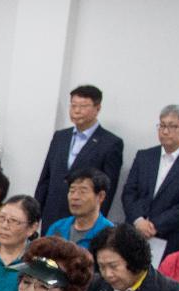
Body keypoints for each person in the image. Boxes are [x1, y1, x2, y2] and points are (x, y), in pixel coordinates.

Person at [120, 104, 179, 255]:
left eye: (172, 126)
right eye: (162, 126)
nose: (165, 131)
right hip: (134, 230)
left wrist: (154, 226)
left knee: (160, 278)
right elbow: (129, 192)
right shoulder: (144, 156)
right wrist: (138, 221)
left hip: (169, 236)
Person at [34, 85, 124, 227]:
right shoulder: (60, 136)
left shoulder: (110, 143)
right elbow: (46, 177)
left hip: (84, 219)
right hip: (52, 214)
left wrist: (96, 223)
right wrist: (35, 213)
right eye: (73, 105)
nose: (76, 110)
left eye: (83, 106)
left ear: (97, 108)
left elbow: (107, 190)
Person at [44, 166, 115, 250]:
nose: (75, 197)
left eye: (83, 191)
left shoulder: (109, 234)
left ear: (100, 196)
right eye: (72, 191)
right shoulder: (57, 228)